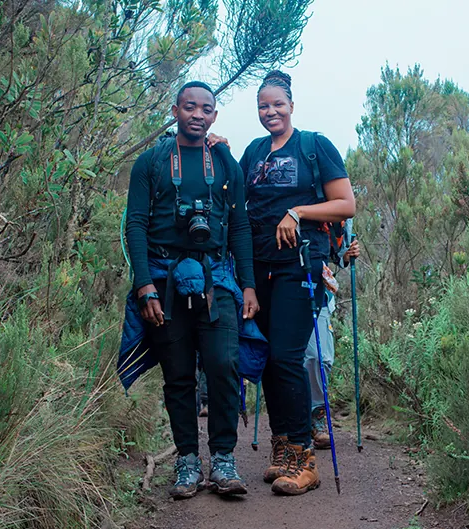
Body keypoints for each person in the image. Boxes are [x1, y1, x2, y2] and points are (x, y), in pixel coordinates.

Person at [123, 81, 259, 500]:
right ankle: (186, 461)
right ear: (176, 110)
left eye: (205, 109)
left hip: (216, 276)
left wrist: (248, 284)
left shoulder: (225, 163)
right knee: (178, 374)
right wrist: (143, 284)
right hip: (164, 278)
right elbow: (136, 224)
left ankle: (222, 459)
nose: (197, 115)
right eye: (189, 107)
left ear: (214, 115)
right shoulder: (152, 161)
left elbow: (238, 226)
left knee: (222, 364)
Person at [239, 70, 355, 496]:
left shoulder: (314, 147)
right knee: (268, 358)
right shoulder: (252, 151)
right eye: (262, 106)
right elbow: (236, 201)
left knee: (287, 357)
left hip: (300, 266)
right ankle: (283, 449)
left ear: (291, 105)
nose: (270, 112)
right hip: (258, 267)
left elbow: (346, 203)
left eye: (277, 104)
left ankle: (305, 458)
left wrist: (298, 212)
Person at [305, 226, 360, 449]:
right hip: (282, 281)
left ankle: (317, 413)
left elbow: (336, 252)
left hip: (319, 290)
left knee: (320, 358)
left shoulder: (334, 208)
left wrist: (346, 254)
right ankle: (289, 425)